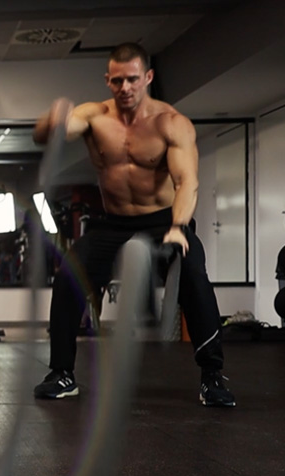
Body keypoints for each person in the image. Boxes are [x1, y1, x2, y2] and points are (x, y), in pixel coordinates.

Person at [31, 42, 235, 407]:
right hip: (114, 223)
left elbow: (187, 182)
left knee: (194, 274)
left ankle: (212, 376)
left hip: (164, 220)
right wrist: (53, 118)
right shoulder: (94, 116)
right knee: (68, 276)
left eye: (132, 79)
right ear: (107, 80)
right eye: (117, 80)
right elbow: (48, 135)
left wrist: (178, 226)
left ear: (148, 77)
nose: (125, 87)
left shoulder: (171, 123)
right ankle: (61, 373)